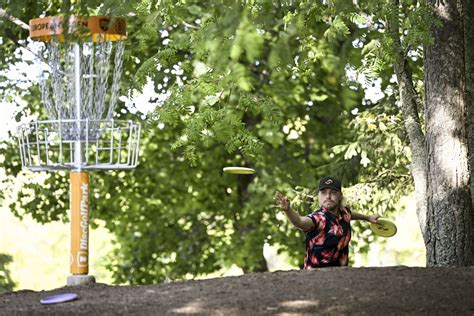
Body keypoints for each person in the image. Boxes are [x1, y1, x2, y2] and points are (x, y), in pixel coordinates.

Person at [274, 176, 379, 268]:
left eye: (332, 192)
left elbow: (351, 215)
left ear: (340, 196)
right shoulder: (318, 218)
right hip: (315, 279)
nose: (328, 196)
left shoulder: (344, 212)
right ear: (319, 196)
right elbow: (299, 222)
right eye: (323, 193)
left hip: (341, 277)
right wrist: (288, 210)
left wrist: (368, 218)